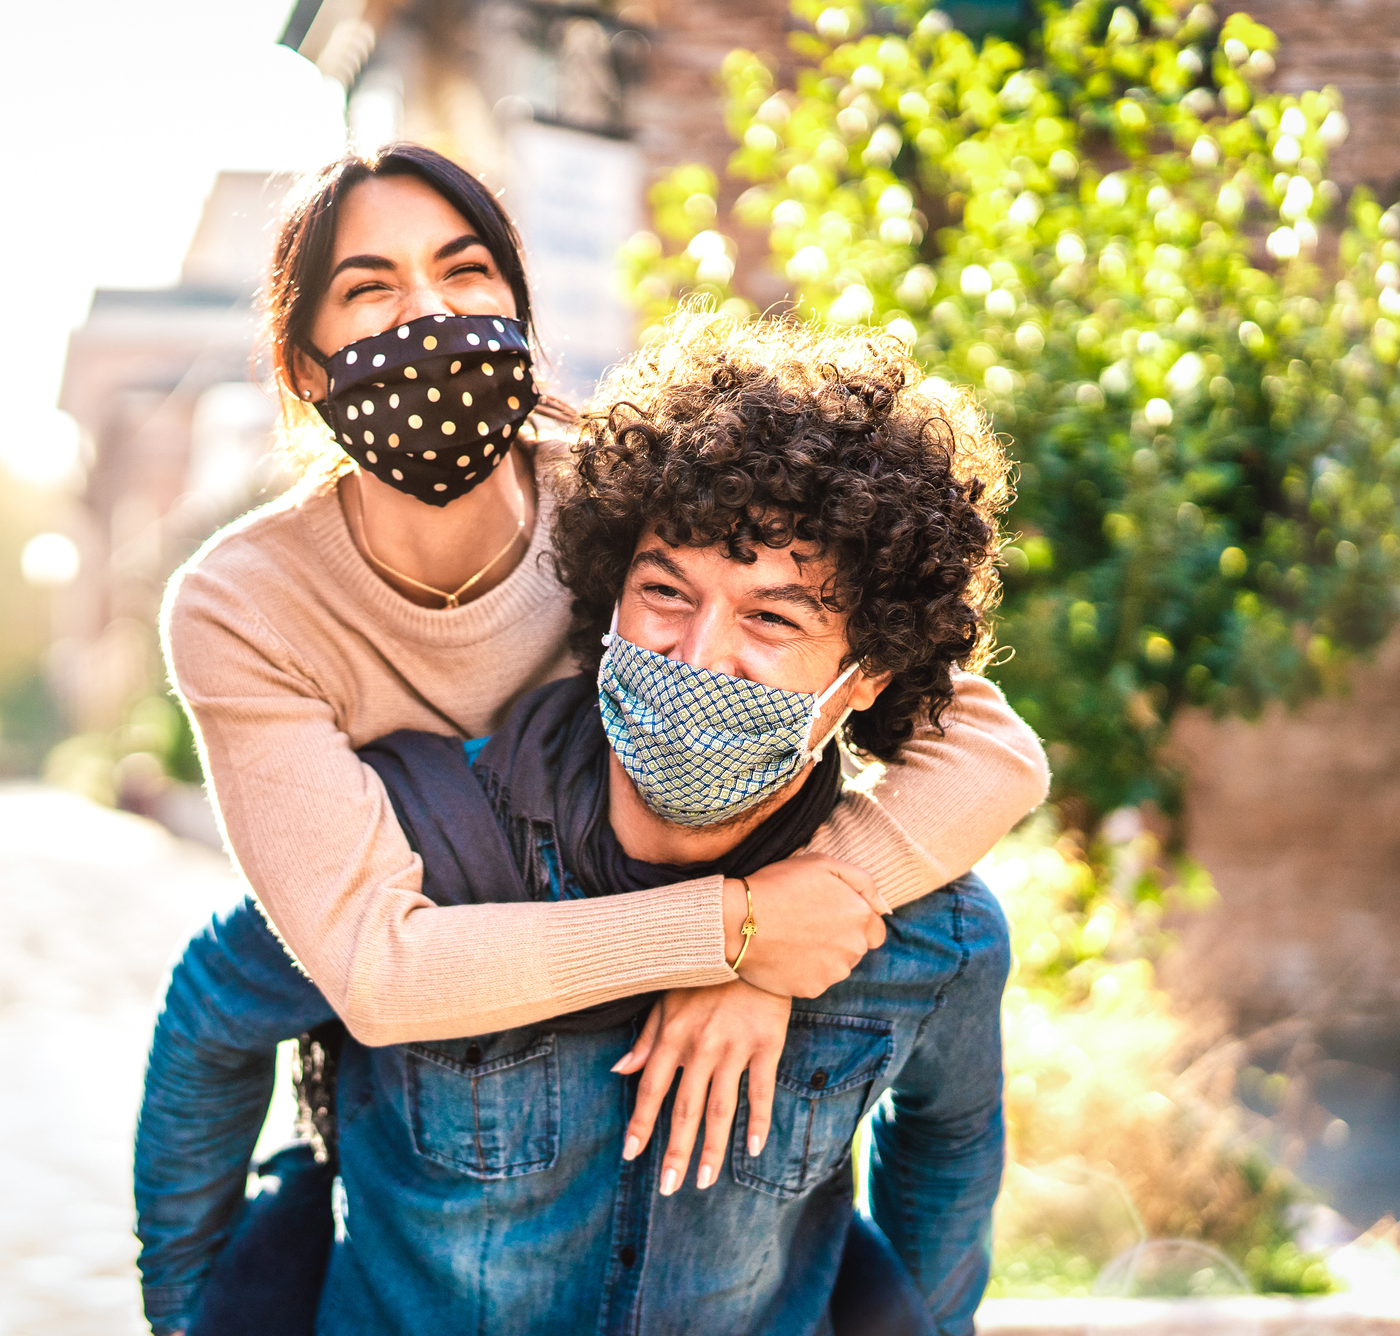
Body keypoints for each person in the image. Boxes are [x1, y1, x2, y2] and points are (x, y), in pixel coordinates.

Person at [137, 311, 1023, 1336]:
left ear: (869, 674)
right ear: (605, 598)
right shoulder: (422, 850)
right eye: (665, 592)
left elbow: (950, 1135)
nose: (699, 656)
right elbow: (210, 1014)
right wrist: (186, 1306)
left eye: (772, 620)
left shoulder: (929, 932)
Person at [160, 141, 1046, 1053]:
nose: (429, 311)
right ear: (304, 365)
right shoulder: (242, 606)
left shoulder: (628, 500)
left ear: (515, 310)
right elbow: (380, 973)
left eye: (465, 270)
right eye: (369, 287)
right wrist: (729, 934)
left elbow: (987, 747)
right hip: (422, 1051)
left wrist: (800, 919)